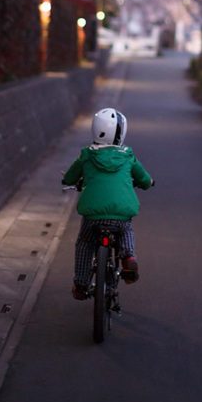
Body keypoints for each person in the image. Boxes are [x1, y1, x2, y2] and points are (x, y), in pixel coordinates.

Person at [62, 107, 153, 300]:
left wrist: (68, 181)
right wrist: (149, 183)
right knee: (126, 229)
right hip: (121, 213)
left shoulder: (87, 155)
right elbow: (144, 180)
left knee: (85, 244)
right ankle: (128, 256)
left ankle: (81, 284)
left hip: (93, 216)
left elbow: (70, 178)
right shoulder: (128, 156)